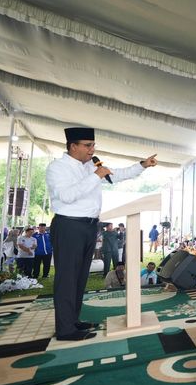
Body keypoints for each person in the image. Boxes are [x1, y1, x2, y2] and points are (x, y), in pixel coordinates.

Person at [46, 127, 157, 341]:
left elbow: (118, 175)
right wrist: (96, 176)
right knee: (67, 278)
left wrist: (142, 165)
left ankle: (72, 320)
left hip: (89, 227)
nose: (92, 149)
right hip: (68, 226)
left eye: (93, 145)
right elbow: (67, 196)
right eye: (88, 145)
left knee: (80, 278)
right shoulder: (57, 168)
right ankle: (64, 330)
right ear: (73, 146)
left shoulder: (90, 166)